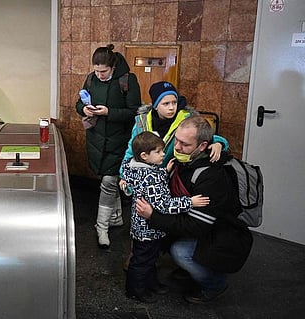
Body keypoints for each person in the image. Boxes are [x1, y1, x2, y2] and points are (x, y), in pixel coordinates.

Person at [136, 116, 253, 304]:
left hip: (219, 232)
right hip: (194, 220)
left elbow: (195, 226)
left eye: (185, 144)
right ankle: (191, 269)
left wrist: (153, 216)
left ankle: (215, 284)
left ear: (202, 146)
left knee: (180, 251)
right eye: (177, 140)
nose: (177, 147)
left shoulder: (211, 176)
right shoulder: (183, 161)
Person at [121, 131, 210, 303]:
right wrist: (189, 202)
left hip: (141, 226)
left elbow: (144, 181)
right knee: (142, 261)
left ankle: (151, 283)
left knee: (150, 258)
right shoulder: (151, 177)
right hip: (149, 228)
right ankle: (135, 290)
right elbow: (164, 204)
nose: (164, 154)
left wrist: (164, 172)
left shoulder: (133, 167)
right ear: (144, 156)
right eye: (159, 152)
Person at [75, 44, 141, 249]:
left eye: (103, 71)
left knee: (109, 181)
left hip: (118, 139)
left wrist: (108, 112)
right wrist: (84, 108)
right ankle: (117, 217)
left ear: (112, 67)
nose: (100, 75)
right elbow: (78, 103)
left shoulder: (127, 80)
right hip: (95, 138)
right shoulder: (91, 78)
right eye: (96, 70)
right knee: (106, 179)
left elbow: (133, 111)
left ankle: (101, 227)